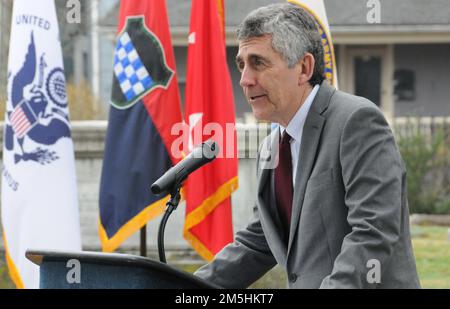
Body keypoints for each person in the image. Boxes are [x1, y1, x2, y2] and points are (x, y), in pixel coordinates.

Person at [194, 3, 420, 288]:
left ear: (303, 67)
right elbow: (259, 241)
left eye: (258, 63)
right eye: (241, 65)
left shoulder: (357, 121)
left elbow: (373, 233)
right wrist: (182, 289)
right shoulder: (272, 145)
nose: (245, 80)